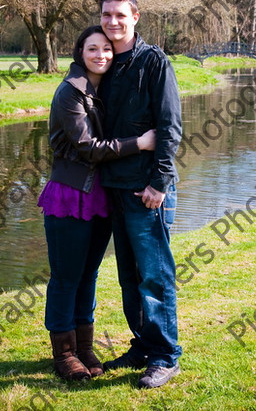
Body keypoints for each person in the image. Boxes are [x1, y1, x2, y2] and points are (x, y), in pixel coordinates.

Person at [37, 25, 156, 381]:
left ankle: (85, 347)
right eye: (93, 49)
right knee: (65, 277)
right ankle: (64, 353)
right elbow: (87, 147)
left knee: (88, 275)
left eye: (106, 49)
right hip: (71, 195)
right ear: (80, 53)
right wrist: (142, 143)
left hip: (100, 196)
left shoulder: (105, 89)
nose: (101, 55)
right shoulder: (70, 93)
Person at [98, 0, 182, 389]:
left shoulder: (155, 62)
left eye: (120, 15)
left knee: (154, 276)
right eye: (106, 15)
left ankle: (166, 356)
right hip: (113, 187)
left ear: (136, 17)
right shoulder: (104, 62)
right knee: (129, 277)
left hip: (147, 191)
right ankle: (144, 346)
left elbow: (169, 127)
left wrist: (159, 183)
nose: (113, 22)